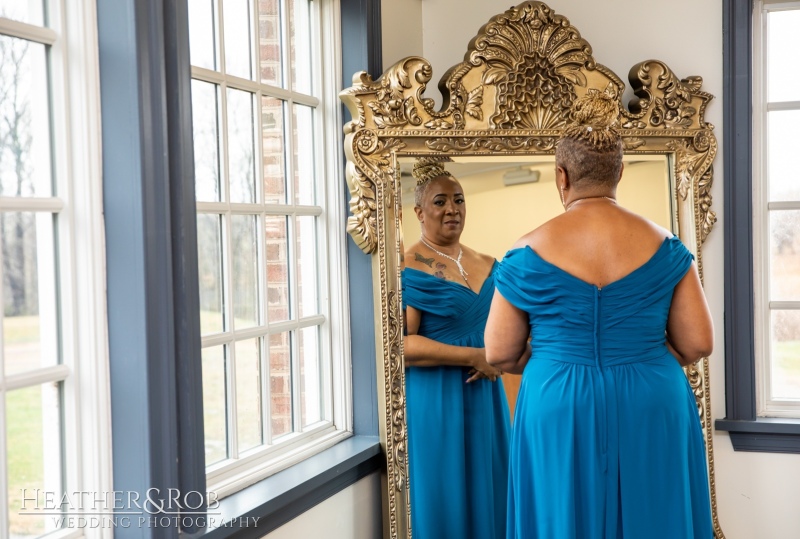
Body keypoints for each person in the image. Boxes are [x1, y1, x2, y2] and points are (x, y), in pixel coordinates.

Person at [484, 89, 715, 538]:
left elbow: (498, 352)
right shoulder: (667, 247)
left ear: (561, 177)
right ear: (619, 173)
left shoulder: (525, 251)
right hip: (652, 394)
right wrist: (640, 350)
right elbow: (698, 343)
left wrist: (558, 352)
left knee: (562, 517)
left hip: (558, 398)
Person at [402, 158, 513, 539]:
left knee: (493, 483)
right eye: (440, 201)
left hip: (486, 394)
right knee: (444, 492)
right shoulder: (406, 267)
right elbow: (402, 345)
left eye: (459, 199)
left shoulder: (488, 263)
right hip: (436, 397)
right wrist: (474, 356)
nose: (452, 209)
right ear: (419, 211)